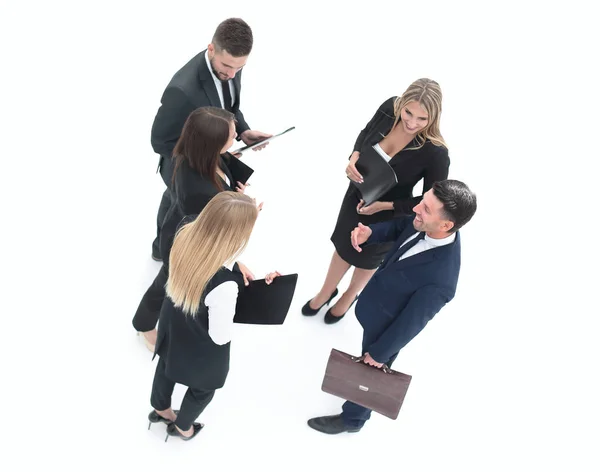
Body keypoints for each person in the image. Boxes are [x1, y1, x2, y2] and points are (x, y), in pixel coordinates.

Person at [307, 179, 477, 434]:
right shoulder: (426, 220)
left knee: (369, 374)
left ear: (446, 225)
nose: (417, 208)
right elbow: (402, 225)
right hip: (374, 302)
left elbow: (410, 324)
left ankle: (353, 420)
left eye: (426, 208)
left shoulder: (441, 280)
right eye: (423, 201)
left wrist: (379, 354)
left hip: (386, 326)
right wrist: (371, 233)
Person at [301, 78, 450, 324]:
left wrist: (387, 207)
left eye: (422, 119)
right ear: (401, 103)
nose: (412, 122)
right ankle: (326, 292)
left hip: (389, 213)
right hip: (357, 194)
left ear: (433, 118)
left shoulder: (436, 152)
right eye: (408, 112)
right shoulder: (389, 108)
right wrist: (354, 156)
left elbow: (431, 200)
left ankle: (349, 296)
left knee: (367, 258)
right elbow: (365, 134)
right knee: (343, 246)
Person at [146, 192, 281, 441]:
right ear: (235, 237)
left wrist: (236, 266)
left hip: (172, 323)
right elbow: (220, 336)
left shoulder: (185, 229)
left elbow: (210, 252)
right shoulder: (225, 286)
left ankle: (160, 408)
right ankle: (184, 427)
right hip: (200, 347)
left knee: (166, 365)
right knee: (203, 389)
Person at [133, 107, 259, 350]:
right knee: (166, 284)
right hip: (185, 243)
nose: (236, 138)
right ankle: (143, 323)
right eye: (231, 136)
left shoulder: (199, 156)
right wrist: (243, 206)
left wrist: (233, 191)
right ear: (212, 142)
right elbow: (214, 225)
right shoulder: (199, 191)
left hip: (184, 226)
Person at [150, 17, 271, 261]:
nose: (232, 73)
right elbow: (160, 141)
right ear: (211, 48)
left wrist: (243, 131)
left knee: (172, 202)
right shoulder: (183, 91)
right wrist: (207, 153)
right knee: (182, 209)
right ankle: (168, 255)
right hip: (184, 167)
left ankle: (160, 247)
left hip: (207, 157)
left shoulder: (231, 64)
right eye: (227, 66)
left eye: (239, 67)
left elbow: (228, 107)